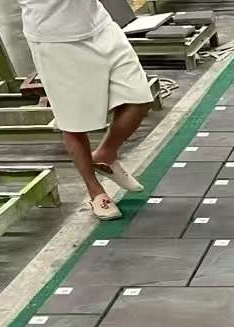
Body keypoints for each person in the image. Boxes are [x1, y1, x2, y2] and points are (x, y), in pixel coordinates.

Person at [17, 0, 155, 220]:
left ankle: (106, 154)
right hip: (55, 41)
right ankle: (95, 191)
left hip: (100, 27)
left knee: (139, 98)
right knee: (73, 122)